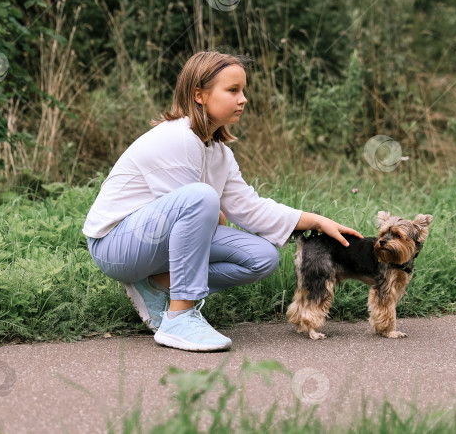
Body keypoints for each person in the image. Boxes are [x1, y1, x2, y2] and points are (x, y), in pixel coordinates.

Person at [82, 50, 361, 352]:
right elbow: (191, 208)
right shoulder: (176, 137)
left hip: (154, 247)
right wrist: (214, 214)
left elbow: (250, 208)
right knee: (203, 197)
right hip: (116, 246)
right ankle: (180, 317)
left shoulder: (219, 153)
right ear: (199, 94)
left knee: (263, 257)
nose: (243, 99)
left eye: (243, 90)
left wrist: (317, 220)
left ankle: (158, 284)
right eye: (233, 91)